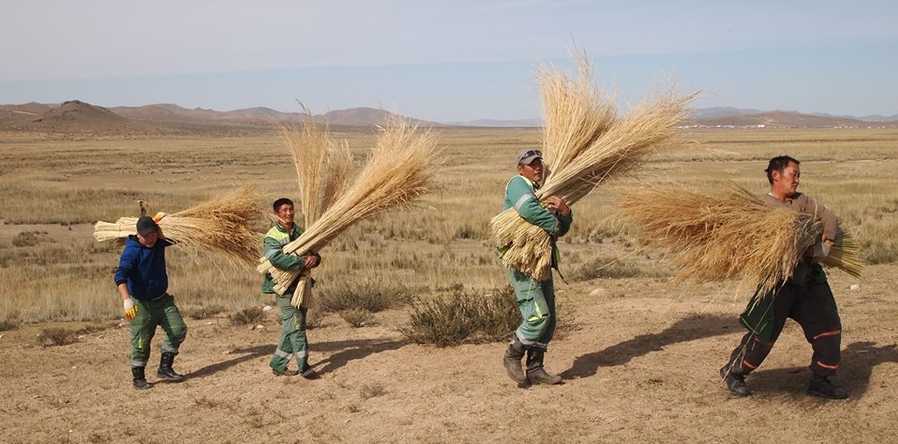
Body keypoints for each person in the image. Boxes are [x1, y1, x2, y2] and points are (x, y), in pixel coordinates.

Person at [720, 155, 847, 399]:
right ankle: (733, 372)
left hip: (810, 279)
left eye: (799, 175)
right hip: (777, 283)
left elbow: (829, 217)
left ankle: (822, 380)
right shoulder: (758, 209)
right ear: (776, 176)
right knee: (763, 335)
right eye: (794, 174)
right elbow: (746, 245)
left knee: (829, 328)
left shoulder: (803, 201)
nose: (797, 180)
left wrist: (827, 242)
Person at [499, 148, 573, 387]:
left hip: (541, 260)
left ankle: (535, 369)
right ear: (521, 168)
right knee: (538, 315)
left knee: (549, 319)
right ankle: (512, 354)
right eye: (531, 164)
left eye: (539, 163)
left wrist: (564, 213)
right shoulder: (517, 183)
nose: (537, 167)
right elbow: (528, 210)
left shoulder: (544, 192)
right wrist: (552, 221)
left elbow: (559, 230)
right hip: (523, 261)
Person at [114, 215, 187, 390]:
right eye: (146, 236)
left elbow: (180, 237)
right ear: (138, 235)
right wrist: (126, 300)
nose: (150, 238)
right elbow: (120, 276)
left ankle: (165, 368)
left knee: (178, 330)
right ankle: (138, 377)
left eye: (153, 234)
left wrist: (171, 221)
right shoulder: (132, 251)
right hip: (141, 305)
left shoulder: (159, 242)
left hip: (162, 300)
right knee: (141, 342)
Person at [262, 198, 321, 378]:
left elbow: (316, 253)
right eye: (284, 210)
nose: (289, 213)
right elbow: (276, 259)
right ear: (277, 213)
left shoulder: (300, 231)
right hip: (283, 288)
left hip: (301, 286)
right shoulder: (272, 236)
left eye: (291, 209)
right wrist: (302, 261)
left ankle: (278, 364)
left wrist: (314, 260)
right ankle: (305, 366)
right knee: (296, 327)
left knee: (294, 326)